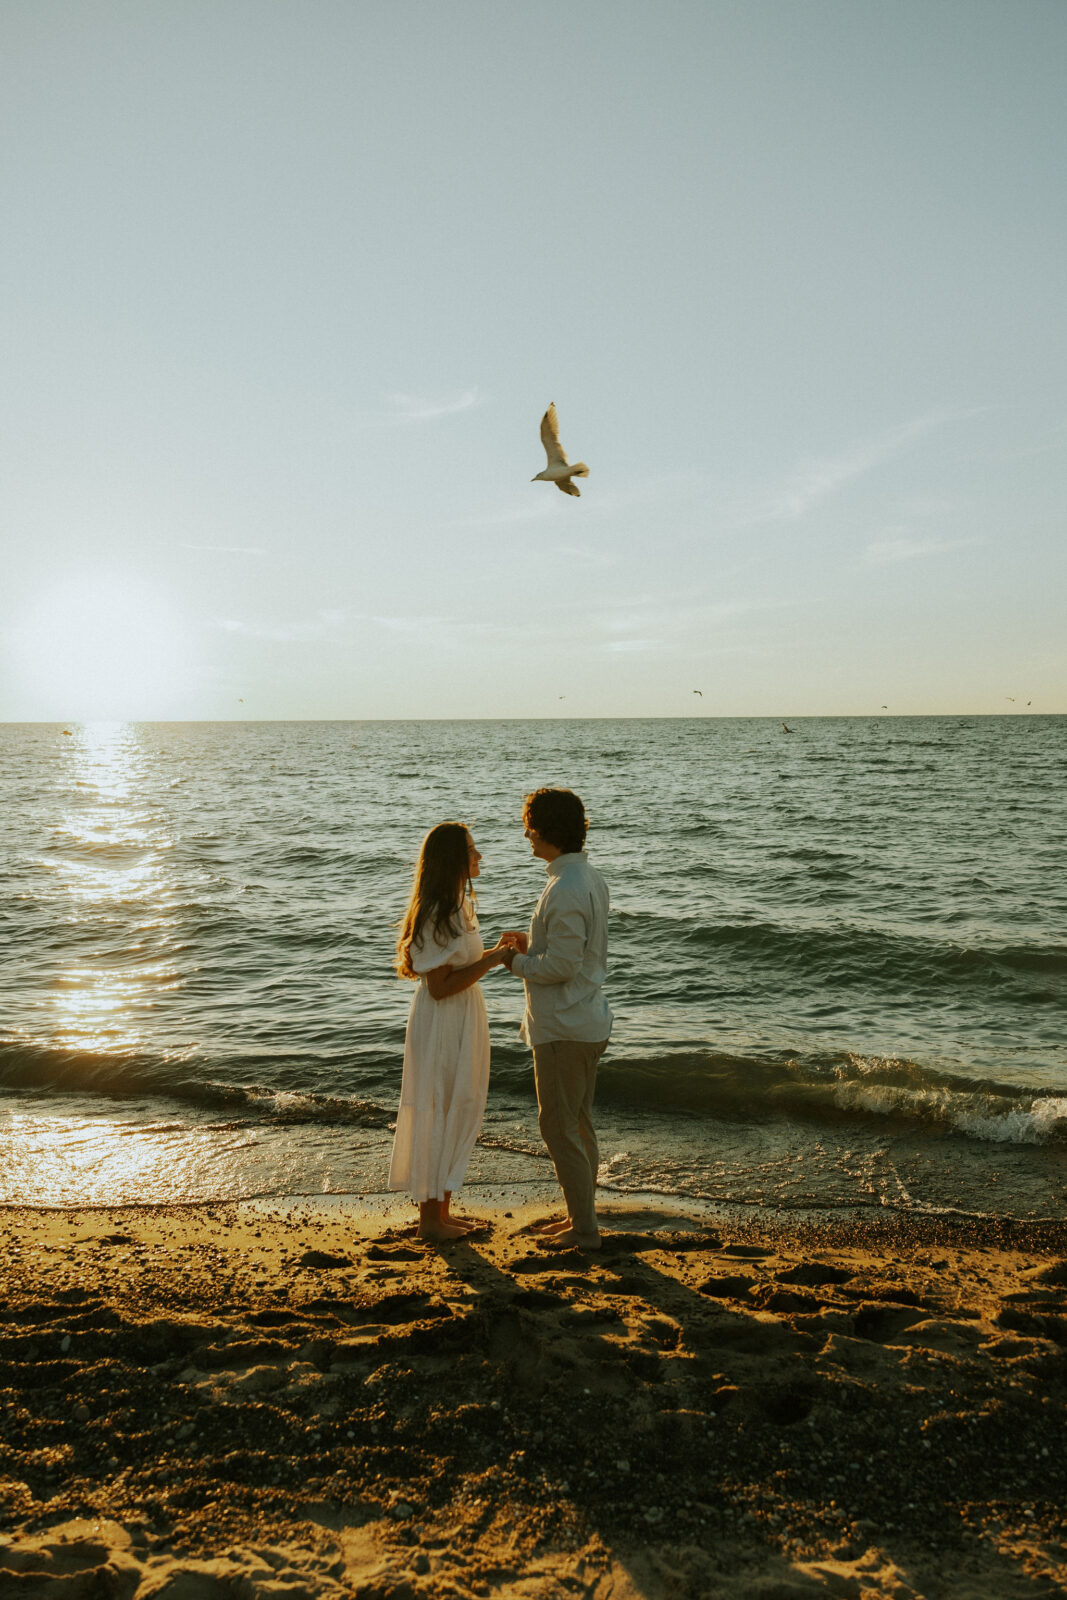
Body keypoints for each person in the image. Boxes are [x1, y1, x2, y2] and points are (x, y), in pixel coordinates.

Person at [501, 788, 612, 1249]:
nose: (525, 835)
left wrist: (514, 963)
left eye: (529, 827)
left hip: (565, 1026)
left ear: (546, 830)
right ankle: (580, 1218)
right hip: (583, 1019)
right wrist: (533, 951)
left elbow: (563, 967)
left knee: (559, 1127)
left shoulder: (565, 887)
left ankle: (585, 1230)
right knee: (578, 1123)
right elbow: (572, 954)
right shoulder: (585, 877)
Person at [389, 823, 510, 1241]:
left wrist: (493, 951)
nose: (480, 857)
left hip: (462, 1015)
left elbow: (459, 967)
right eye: (473, 851)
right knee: (438, 1103)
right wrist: (495, 959)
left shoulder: (459, 903)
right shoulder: (440, 909)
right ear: (452, 859)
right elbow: (439, 987)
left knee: (459, 1101)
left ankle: (441, 1212)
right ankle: (429, 1221)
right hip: (443, 1019)